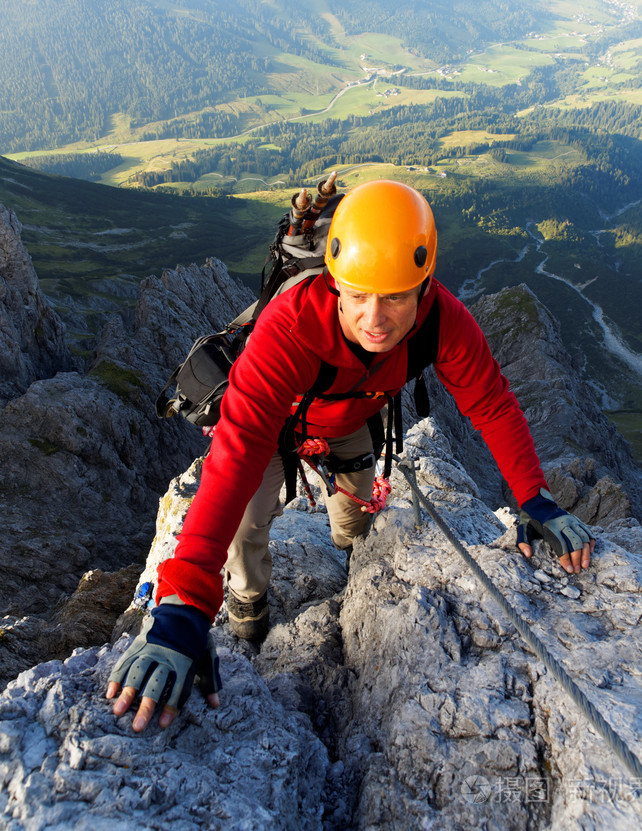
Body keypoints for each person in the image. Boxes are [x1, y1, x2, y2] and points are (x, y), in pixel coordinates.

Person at [107, 179, 594, 732]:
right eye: (358, 295)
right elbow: (237, 450)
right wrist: (183, 606)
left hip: (351, 422)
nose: (375, 319)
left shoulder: (442, 321)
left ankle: (351, 558)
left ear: (424, 287)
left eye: (395, 297)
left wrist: (536, 499)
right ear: (335, 282)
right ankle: (246, 604)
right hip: (276, 431)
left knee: (357, 514)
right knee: (248, 521)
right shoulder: (290, 328)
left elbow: (492, 404)